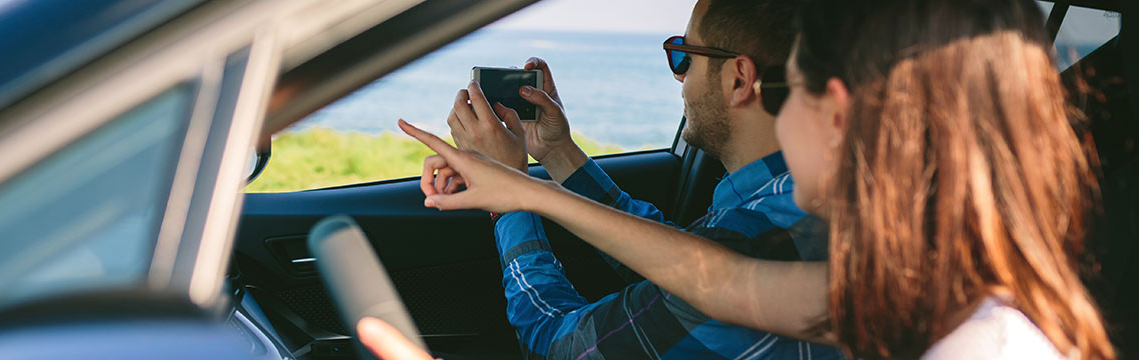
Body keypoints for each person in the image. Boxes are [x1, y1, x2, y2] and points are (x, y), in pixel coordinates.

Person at [365, 0, 1117, 358]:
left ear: (837, 114)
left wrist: (514, 201)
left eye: (797, 95)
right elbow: (715, 276)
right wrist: (537, 177)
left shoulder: (818, 257)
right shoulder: (908, 284)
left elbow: (581, 335)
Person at [432, 0, 842, 358]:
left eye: (684, 54)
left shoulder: (756, 240)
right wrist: (557, 154)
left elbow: (557, 348)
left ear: (738, 79)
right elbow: (683, 263)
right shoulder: (796, 207)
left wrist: (509, 198)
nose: (679, 75)